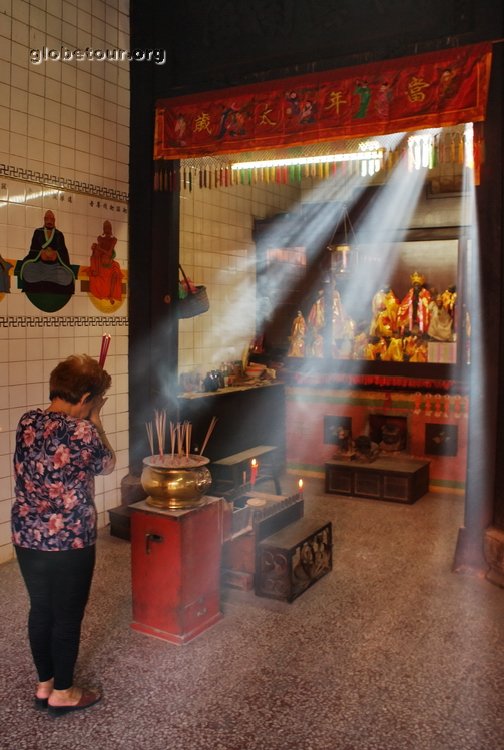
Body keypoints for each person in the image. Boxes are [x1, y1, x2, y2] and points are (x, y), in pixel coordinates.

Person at [11, 354, 116, 716]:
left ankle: (44, 684)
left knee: (41, 609)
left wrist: (87, 411)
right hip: (70, 538)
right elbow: (107, 464)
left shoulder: (27, 421)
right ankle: (64, 692)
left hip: (26, 535)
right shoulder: (83, 431)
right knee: (67, 615)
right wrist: (96, 418)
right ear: (86, 397)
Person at [19, 210, 75, 295]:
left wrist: (56, 255)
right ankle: (48, 282)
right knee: (28, 269)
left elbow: (63, 252)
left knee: (67, 276)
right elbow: (33, 249)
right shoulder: (38, 232)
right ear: (44, 219)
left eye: (51, 219)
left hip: (55, 268)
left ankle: (46, 281)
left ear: (54, 220)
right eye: (47, 218)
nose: (49, 221)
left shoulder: (59, 234)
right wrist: (41, 253)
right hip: (40, 266)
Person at [88, 220, 123, 304]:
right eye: (105, 228)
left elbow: (110, 253)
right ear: (103, 229)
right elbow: (99, 251)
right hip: (101, 261)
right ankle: (95, 270)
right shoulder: (100, 238)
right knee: (95, 253)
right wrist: (95, 249)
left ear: (111, 229)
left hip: (109, 261)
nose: (107, 229)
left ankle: (111, 295)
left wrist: (100, 249)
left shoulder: (114, 240)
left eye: (109, 227)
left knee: (115, 274)